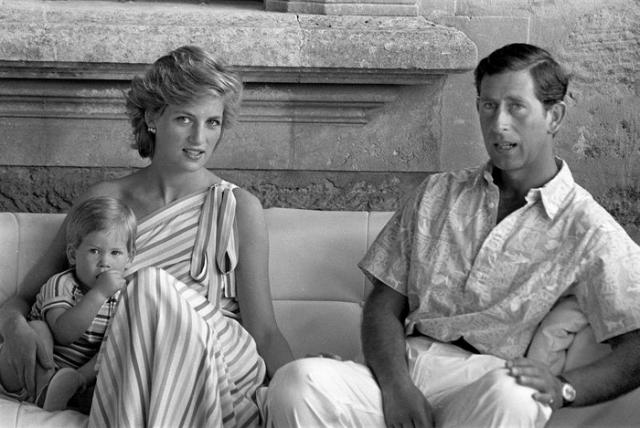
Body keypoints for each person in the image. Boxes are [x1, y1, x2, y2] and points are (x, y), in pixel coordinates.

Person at [260, 43, 640, 427]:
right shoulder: (438, 193)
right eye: (488, 105)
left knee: (519, 395)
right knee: (297, 382)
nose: (499, 123)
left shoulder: (588, 228)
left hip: (490, 387)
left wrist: (565, 388)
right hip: (404, 369)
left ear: (553, 116)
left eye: (516, 106)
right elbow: (383, 306)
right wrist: (396, 387)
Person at [0, 45, 293, 427]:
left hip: (220, 365)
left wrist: (295, 387)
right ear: (153, 116)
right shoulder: (105, 201)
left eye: (213, 122)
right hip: (127, 375)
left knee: (149, 285)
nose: (199, 138)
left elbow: (265, 332)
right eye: (185, 119)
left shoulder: (238, 207)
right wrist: (15, 328)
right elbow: (23, 298)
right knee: (141, 307)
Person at [0, 196, 136, 411]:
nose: (104, 262)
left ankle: (63, 391)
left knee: (115, 345)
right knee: (37, 328)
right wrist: (99, 294)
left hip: (67, 382)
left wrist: (78, 378)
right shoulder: (62, 284)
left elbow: (108, 350)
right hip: (21, 370)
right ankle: (46, 388)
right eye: (94, 251)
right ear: (73, 255)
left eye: (115, 253)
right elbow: (64, 333)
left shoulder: (124, 297)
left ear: (129, 258)